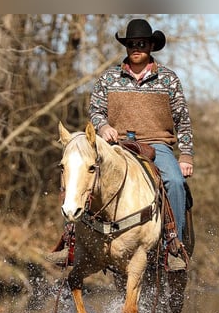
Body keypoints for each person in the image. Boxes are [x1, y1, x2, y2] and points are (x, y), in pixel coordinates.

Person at [48, 18, 194, 270]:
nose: (136, 47)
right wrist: (103, 126)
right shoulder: (109, 78)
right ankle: (70, 243)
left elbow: (182, 119)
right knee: (81, 174)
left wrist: (186, 156)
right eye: (131, 43)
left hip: (157, 144)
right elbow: (95, 110)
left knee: (175, 182)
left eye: (142, 43)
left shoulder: (168, 79)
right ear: (126, 47)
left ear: (150, 46)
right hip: (115, 145)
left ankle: (173, 246)